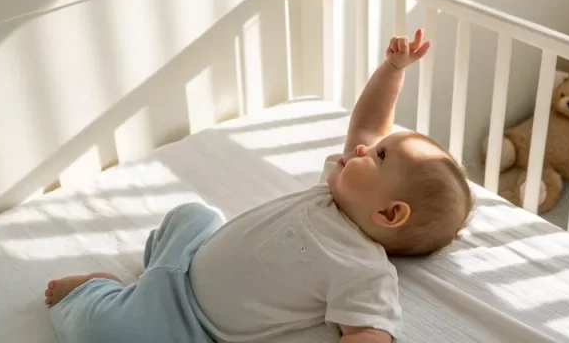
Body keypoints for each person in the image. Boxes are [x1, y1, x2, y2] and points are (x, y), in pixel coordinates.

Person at [44, 29, 473, 343]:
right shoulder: (336, 186)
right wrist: (392, 70)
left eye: (379, 156)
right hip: (185, 259)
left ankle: (100, 290)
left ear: (389, 213)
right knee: (194, 214)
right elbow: (367, 123)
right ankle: (145, 281)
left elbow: (370, 331)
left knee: (106, 332)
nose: (363, 149)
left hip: (192, 321)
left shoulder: (361, 268)